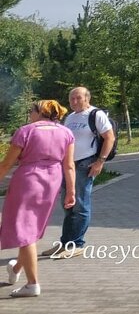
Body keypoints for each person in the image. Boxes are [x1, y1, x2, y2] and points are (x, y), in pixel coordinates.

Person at [0, 100, 76, 297]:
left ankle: (32, 284)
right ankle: (16, 268)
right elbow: (69, 166)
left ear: (39, 111)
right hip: (53, 180)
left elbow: (6, 164)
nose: (30, 114)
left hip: (28, 180)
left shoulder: (26, 131)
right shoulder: (66, 132)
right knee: (31, 228)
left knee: (25, 231)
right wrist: (71, 191)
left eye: (31, 110)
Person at [44, 87, 114, 260]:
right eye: (71, 98)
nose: (74, 101)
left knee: (80, 204)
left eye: (78, 98)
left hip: (85, 163)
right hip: (68, 165)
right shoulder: (70, 117)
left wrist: (100, 161)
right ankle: (65, 243)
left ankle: (77, 243)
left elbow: (109, 137)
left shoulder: (95, 114)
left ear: (87, 98)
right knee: (68, 204)